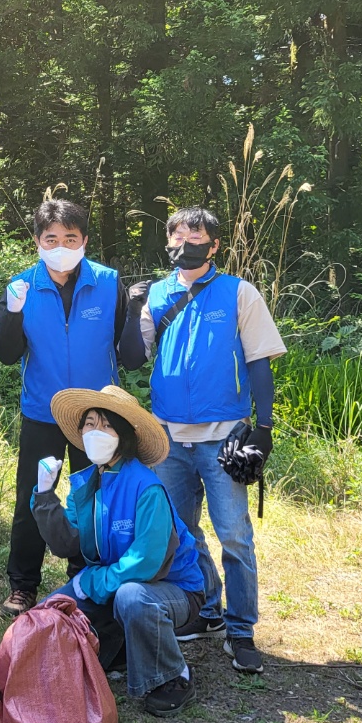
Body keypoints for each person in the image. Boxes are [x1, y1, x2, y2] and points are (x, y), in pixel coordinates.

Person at [119, 206, 286, 674]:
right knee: (180, 531)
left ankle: (241, 631)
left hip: (223, 434)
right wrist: (133, 311)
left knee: (234, 535)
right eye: (177, 233)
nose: (184, 241)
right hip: (167, 437)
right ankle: (208, 608)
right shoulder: (155, 294)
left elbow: (258, 362)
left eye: (196, 235)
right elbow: (133, 359)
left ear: (214, 246)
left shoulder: (239, 293)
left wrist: (264, 427)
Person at [30, 385, 207, 717]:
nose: (96, 432)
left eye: (106, 425)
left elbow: (146, 561)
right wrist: (43, 496)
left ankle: (173, 676)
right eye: (89, 424)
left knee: (131, 598)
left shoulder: (146, 486)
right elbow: (65, 543)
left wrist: (93, 581)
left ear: (123, 435)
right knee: (47, 615)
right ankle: (123, 649)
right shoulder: (85, 484)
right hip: (116, 581)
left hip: (173, 589)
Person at [0, 199, 125, 617]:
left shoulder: (108, 283)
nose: (61, 245)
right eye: (52, 238)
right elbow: (6, 353)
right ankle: (23, 584)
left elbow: (126, 344)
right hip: (43, 413)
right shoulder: (22, 287)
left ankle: (83, 576)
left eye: (70, 238)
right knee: (34, 496)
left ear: (84, 240)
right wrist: (12, 314)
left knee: (95, 497)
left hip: (97, 415)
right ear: (37, 241)